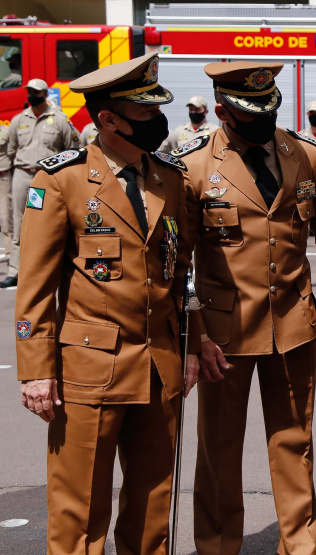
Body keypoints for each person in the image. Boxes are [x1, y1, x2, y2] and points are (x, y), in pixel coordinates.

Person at [16, 52, 199, 554]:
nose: (159, 121)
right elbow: (35, 286)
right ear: (108, 120)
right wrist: (36, 370)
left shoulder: (170, 177)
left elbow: (180, 272)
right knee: (80, 508)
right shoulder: (62, 180)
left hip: (160, 364)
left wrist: (192, 345)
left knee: (153, 504)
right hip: (88, 367)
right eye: (145, 114)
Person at [179, 61, 316, 555]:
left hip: (293, 321)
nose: (264, 120)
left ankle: (299, 544)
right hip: (223, 332)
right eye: (251, 112)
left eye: (270, 107)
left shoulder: (305, 156)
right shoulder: (193, 167)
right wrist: (193, 332)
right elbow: (176, 257)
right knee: (219, 449)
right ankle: (218, 544)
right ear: (223, 112)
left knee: (294, 442)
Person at [5, 78, 80, 288]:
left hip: (48, 177)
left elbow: (71, 148)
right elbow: (12, 149)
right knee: (19, 221)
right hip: (22, 174)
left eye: (36, 93)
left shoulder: (60, 120)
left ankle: (49, 268)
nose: (32, 96)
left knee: (50, 221)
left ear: (45, 95)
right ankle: (16, 271)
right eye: (29, 92)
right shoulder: (19, 120)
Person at [0, 124, 11, 261]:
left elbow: (13, 151)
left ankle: (10, 256)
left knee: (5, 218)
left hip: (3, 177)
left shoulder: (6, 131)